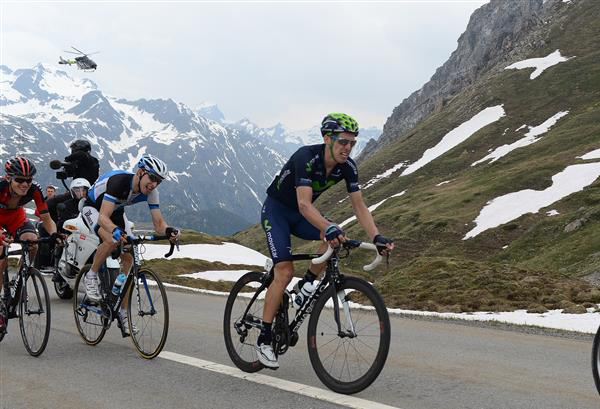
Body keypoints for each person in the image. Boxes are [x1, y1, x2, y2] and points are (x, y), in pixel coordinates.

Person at [256, 113, 394, 368]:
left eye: (352, 143)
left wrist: (376, 237)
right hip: (277, 212)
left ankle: (307, 284)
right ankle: (264, 338)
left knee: (335, 237)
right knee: (284, 272)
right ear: (327, 139)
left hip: (300, 215)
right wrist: (327, 227)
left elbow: (359, 205)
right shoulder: (305, 157)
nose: (348, 148)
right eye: (343, 141)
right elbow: (304, 204)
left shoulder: (347, 166)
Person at [80, 153, 179, 335]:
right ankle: (91, 275)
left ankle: (123, 312)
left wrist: (168, 231)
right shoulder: (119, 183)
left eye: (159, 181)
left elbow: (158, 223)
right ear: (141, 172)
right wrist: (115, 231)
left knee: (130, 257)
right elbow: (102, 218)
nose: (154, 185)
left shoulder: (152, 192)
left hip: (115, 209)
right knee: (111, 240)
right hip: (93, 208)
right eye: (152, 178)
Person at [0, 157, 59, 333]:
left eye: (28, 180)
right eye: (20, 180)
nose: (25, 184)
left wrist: (54, 234)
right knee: (1, 250)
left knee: (32, 242)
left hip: (16, 218)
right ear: (9, 178)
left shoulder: (34, 190)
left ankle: (22, 273)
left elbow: (47, 218)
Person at [46, 139, 99, 223]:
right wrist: (68, 168)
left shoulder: (92, 160)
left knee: (61, 205)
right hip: (75, 193)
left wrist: (68, 159)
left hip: (89, 195)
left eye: (73, 150)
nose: (72, 152)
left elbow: (82, 155)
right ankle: (55, 227)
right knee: (51, 202)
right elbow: (69, 173)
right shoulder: (78, 162)